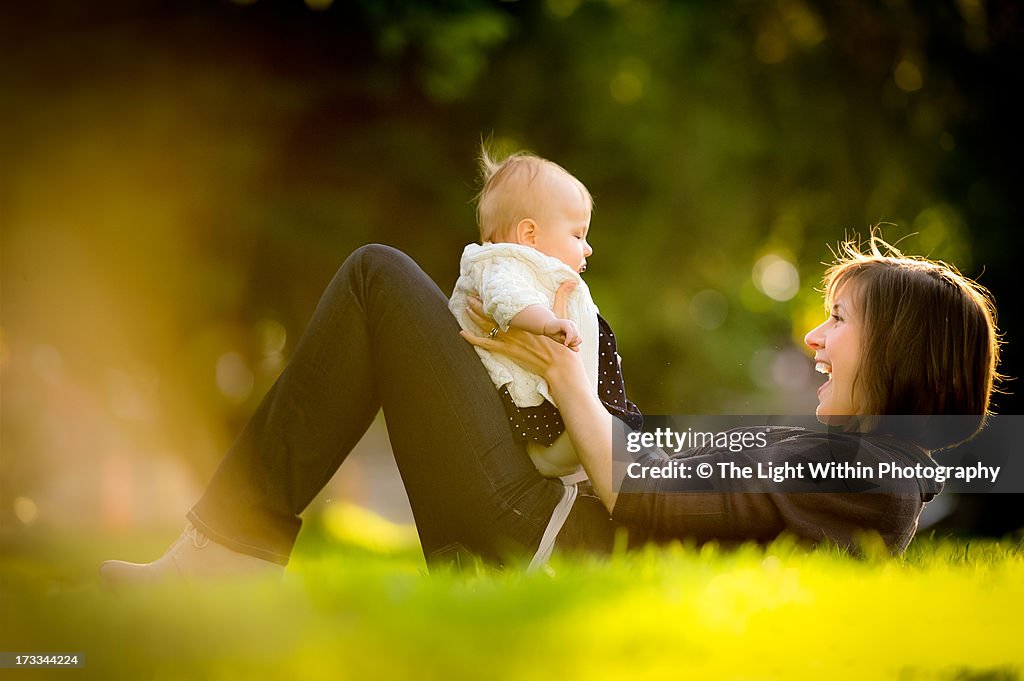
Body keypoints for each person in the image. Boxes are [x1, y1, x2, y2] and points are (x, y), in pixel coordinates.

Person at [99, 227, 1000, 583]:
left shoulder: (873, 476)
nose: (813, 337)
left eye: (837, 321)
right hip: (546, 517)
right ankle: (225, 549)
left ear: (900, 354)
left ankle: (222, 554)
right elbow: (670, 480)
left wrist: (569, 381)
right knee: (392, 286)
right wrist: (572, 362)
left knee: (378, 278)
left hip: (532, 538)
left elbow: (644, 492)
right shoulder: (858, 466)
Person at [448, 148, 642, 566]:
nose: (587, 248)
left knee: (604, 431)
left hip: (563, 387)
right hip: (534, 399)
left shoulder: (536, 266)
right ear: (530, 235)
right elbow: (507, 299)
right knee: (585, 436)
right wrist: (546, 325)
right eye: (577, 235)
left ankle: (584, 453)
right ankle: (562, 458)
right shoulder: (505, 264)